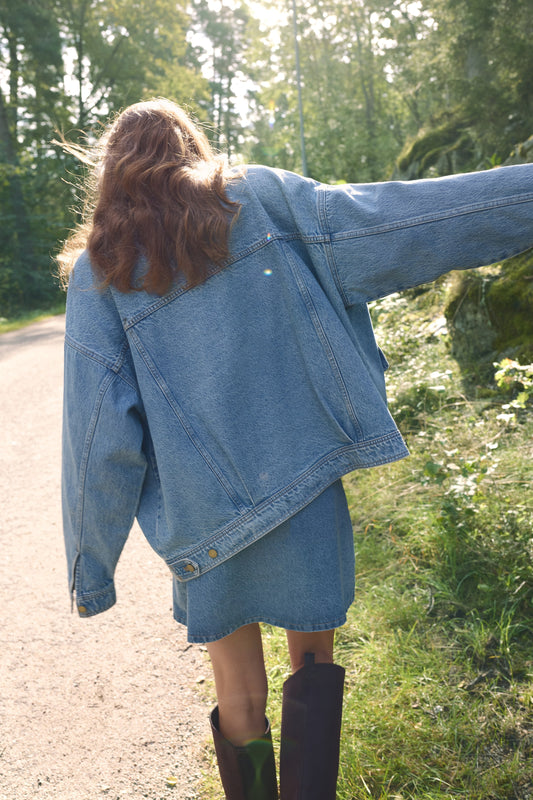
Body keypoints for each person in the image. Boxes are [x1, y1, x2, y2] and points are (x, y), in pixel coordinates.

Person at [59, 98, 533, 800]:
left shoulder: (100, 274)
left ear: (111, 174)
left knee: (239, 696)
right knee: (311, 660)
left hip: (204, 522)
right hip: (305, 487)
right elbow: (409, 219)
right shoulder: (266, 202)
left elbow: (93, 434)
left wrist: (90, 568)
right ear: (190, 147)